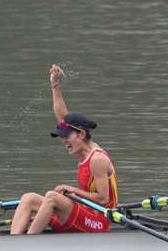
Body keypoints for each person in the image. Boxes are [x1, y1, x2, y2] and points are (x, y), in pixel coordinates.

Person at [10, 65, 119, 235]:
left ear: (81, 134)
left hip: (100, 222)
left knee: (52, 197)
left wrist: (73, 190)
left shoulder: (97, 159)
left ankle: (28, 244)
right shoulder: (82, 147)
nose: (63, 141)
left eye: (66, 136)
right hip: (84, 213)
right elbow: (62, 116)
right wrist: (55, 86)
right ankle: (13, 242)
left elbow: (104, 199)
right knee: (28, 198)